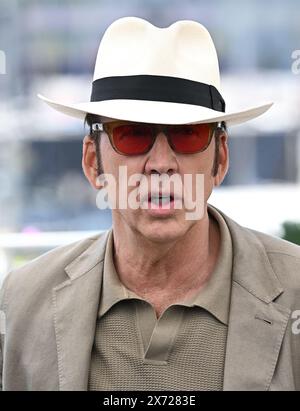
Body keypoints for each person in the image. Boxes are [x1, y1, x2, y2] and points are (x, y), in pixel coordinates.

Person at [1, 17, 299, 391]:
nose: (161, 163)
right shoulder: (23, 301)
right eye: (133, 134)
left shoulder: (295, 290)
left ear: (220, 160)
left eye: (187, 135)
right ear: (94, 163)